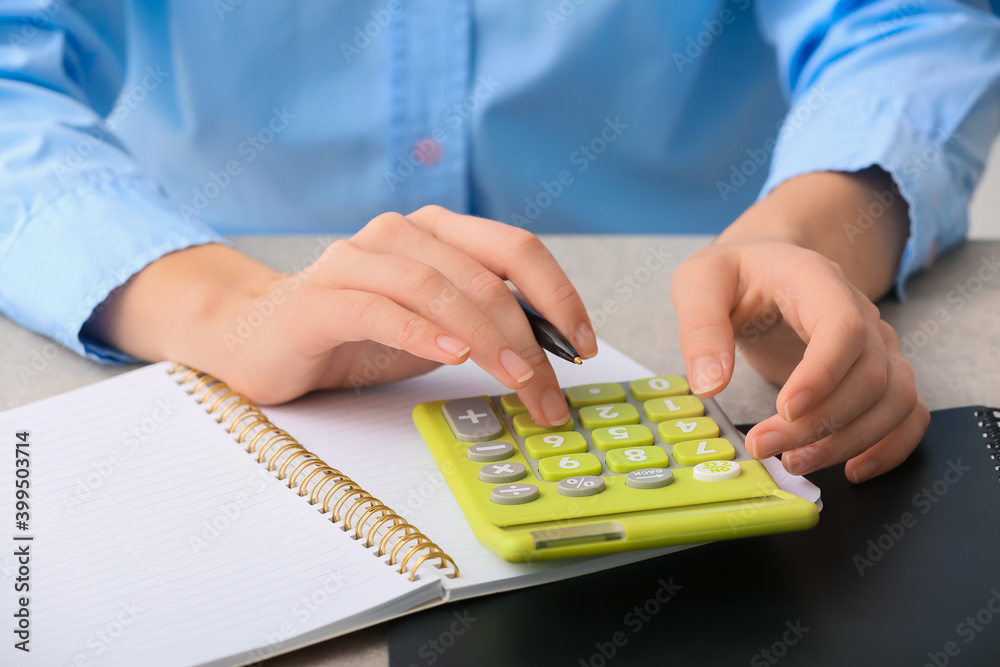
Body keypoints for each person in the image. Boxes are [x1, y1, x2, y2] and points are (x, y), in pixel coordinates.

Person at [2, 1, 999, 483]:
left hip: (701, 334)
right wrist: (223, 307)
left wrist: (804, 235)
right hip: (220, 307)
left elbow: (909, 26)